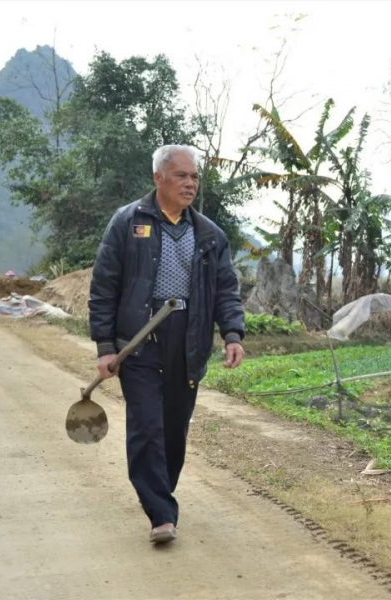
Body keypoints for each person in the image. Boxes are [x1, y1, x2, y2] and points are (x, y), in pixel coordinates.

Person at [88, 145, 246, 544]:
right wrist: (106, 347)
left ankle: (160, 493)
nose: (190, 183)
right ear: (158, 178)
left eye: (194, 177)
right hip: (140, 340)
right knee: (147, 427)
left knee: (174, 429)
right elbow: (104, 287)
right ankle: (160, 512)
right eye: (181, 176)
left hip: (188, 340)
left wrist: (232, 333)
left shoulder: (209, 234)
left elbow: (226, 290)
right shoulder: (128, 222)